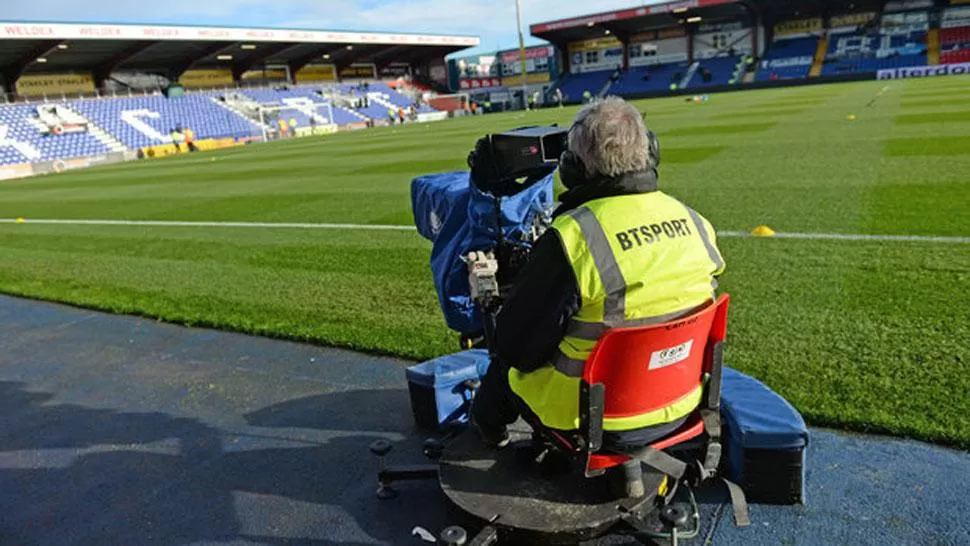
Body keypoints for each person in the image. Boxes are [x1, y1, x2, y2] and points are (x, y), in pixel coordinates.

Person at [470, 97, 725, 469]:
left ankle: (491, 433)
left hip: (594, 421)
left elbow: (517, 348)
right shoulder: (695, 222)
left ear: (573, 169)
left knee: (503, 363)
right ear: (650, 151)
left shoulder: (573, 239)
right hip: (682, 404)